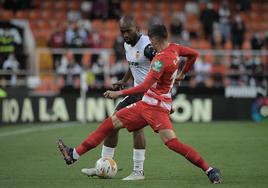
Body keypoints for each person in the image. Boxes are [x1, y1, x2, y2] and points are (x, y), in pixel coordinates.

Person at [57, 24, 222, 184]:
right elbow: (194, 54)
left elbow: (144, 86)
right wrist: (182, 74)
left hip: (156, 108)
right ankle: (74, 154)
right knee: (109, 124)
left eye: (151, 41)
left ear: (155, 40)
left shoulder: (160, 60)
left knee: (172, 143)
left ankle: (209, 170)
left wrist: (118, 93)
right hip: (146, 104)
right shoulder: (175, 48)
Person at [81, 15, 157, 180]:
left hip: (148, 94)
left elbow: (161, 65)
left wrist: (166, 92)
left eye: (128, 31)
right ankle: (103, 166)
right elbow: (133, 64)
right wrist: (123, 81)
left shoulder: (147, 46)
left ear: (137, 28)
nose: (125, 35)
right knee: (111, 125)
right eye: (122, 32)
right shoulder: (127, 44)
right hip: (135, 91)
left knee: (136, 129)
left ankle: (138, 171)